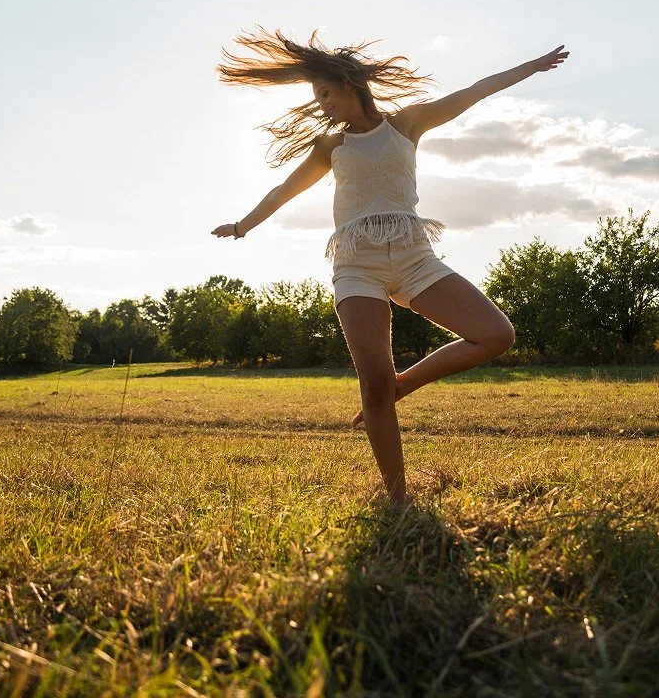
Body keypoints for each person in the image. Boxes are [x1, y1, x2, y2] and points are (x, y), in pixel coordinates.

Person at [212, 27, 569, 505]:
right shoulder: (329, 147)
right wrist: (241, 226)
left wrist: (531, 67)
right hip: (357, 265)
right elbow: (283, 192)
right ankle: (399, 501)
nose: (321, 104)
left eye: (324, 93)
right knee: (372, 385)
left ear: (349, 83)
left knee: (496, 334)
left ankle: (405, 384)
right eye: (315, 96)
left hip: (414, 256)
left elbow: (474, 92)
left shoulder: (406, 125)